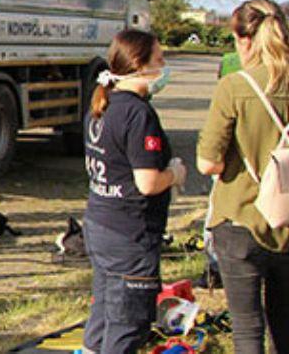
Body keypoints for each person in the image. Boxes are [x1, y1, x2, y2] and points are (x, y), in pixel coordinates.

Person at [82, 29, 186, 354]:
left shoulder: (103, 103)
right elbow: (147, 183)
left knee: (103, 316)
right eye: (159, 59)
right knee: (128, 325)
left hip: (101, 226)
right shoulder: (138, 113)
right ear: (139, 64)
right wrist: (175, 173)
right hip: (130, 237)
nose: (164, 65)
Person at [198, 0, 289, 354]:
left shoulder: (235, 86)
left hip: (240, 219)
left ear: (244, 40)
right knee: (284, 322)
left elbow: (208, 162)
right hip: (286, 222)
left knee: (248, 328)